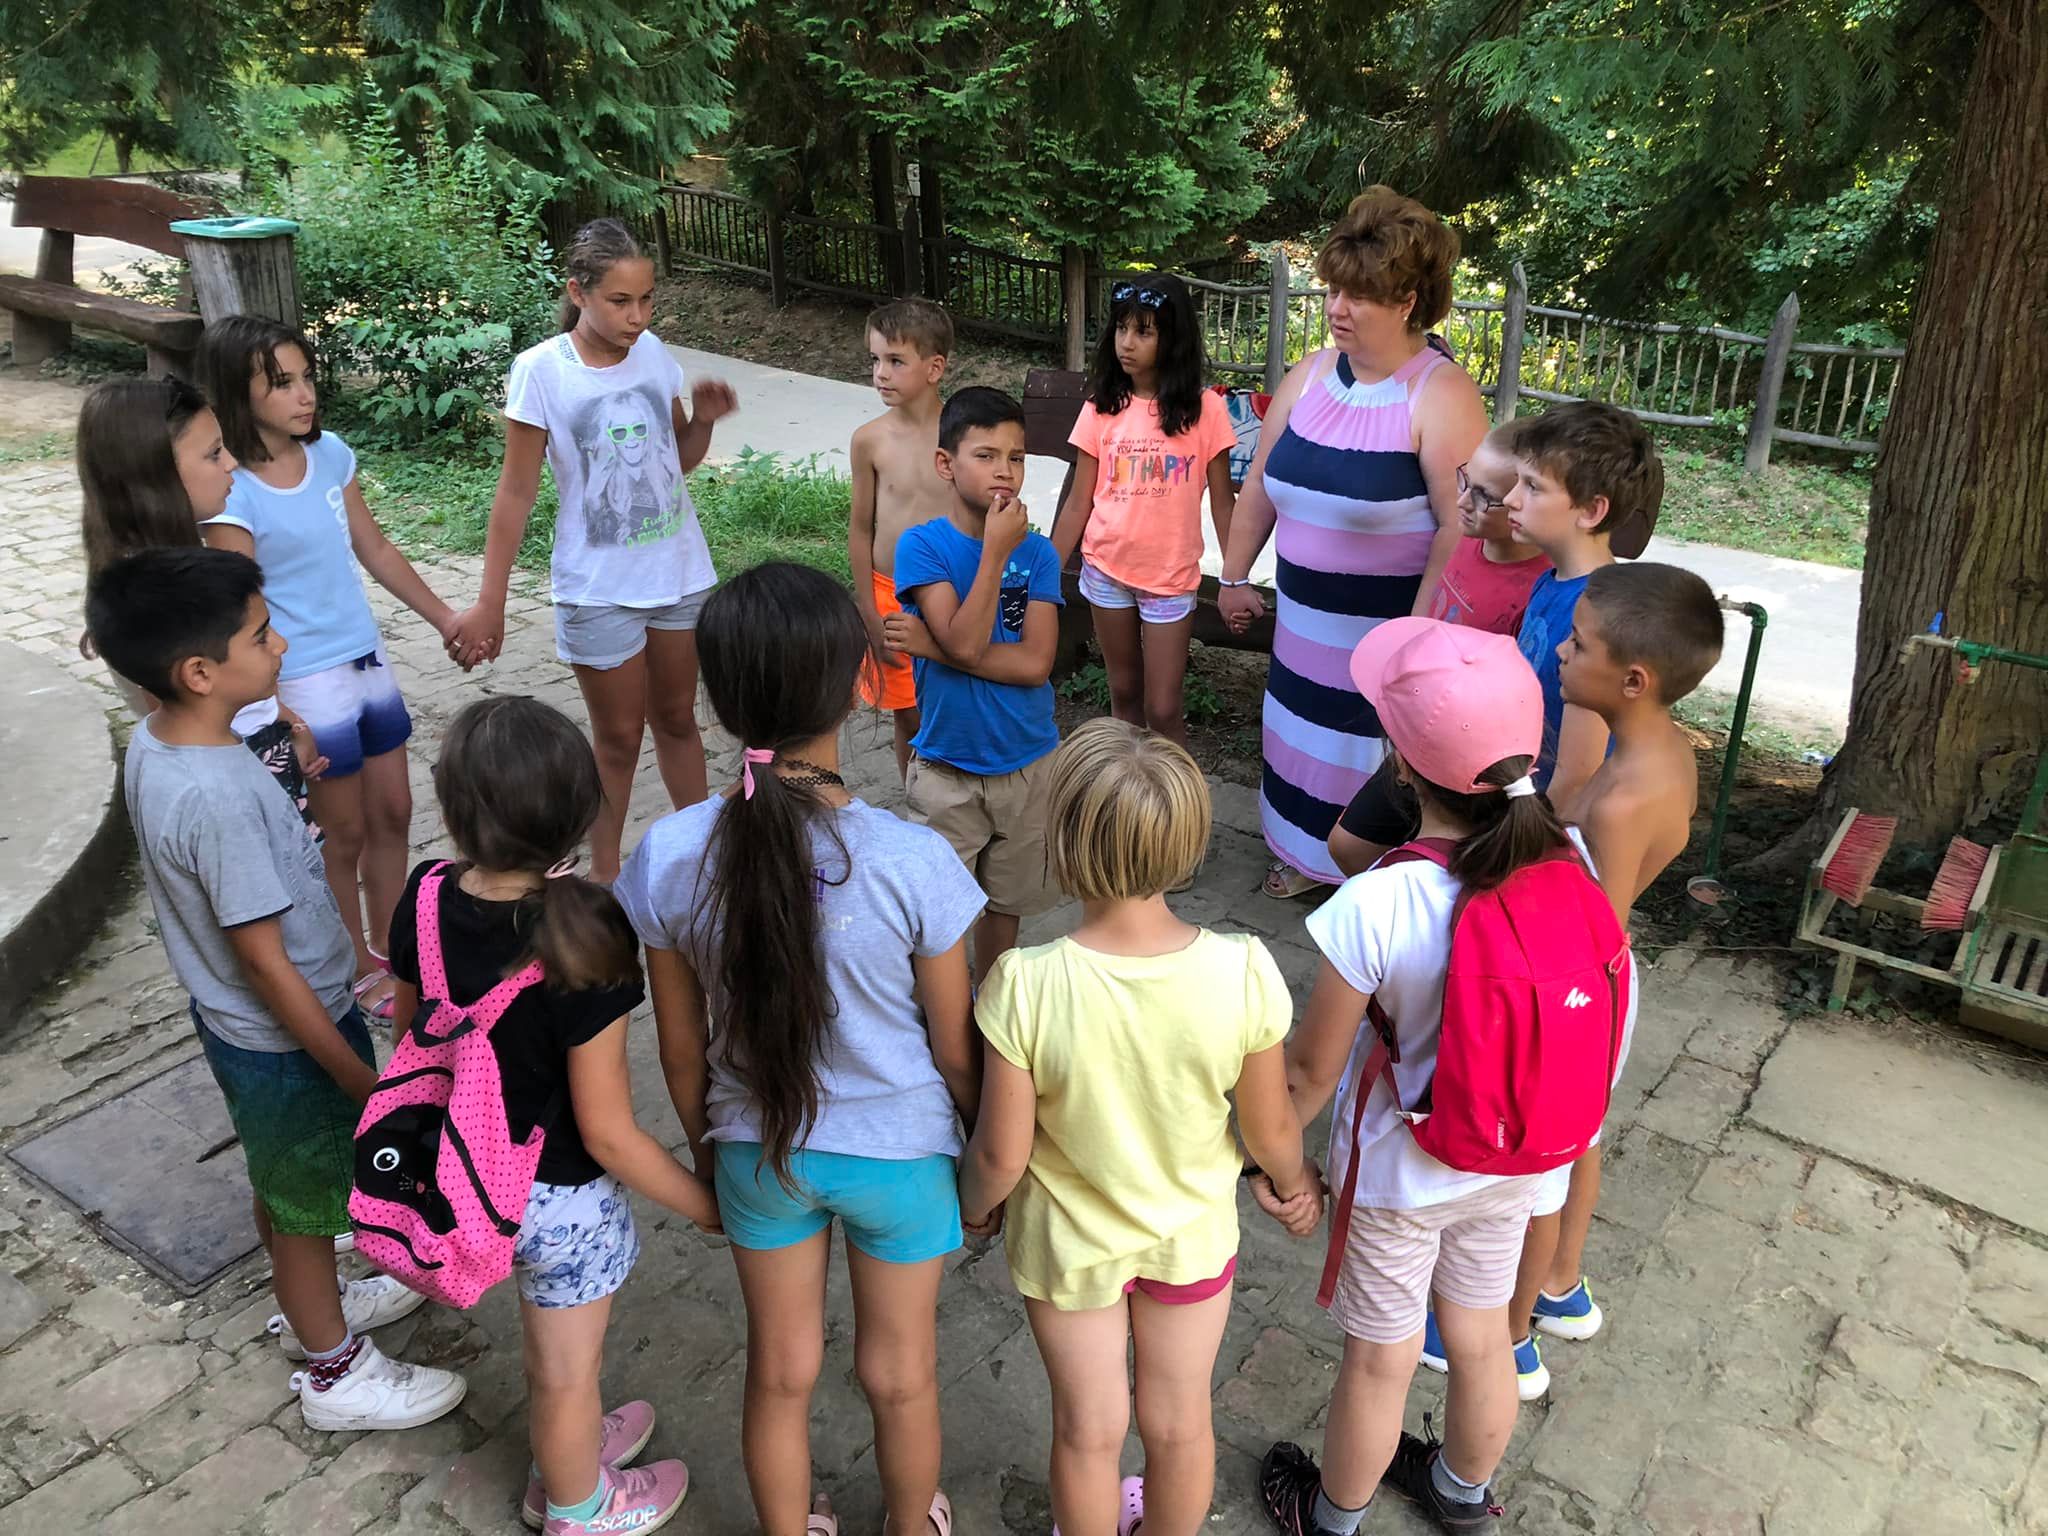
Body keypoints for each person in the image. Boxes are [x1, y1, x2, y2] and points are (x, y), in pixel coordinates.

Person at [617, 563, 985, 1536]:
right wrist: (984, 1159)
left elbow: (681, 1050)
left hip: (759, 1154)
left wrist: (708, 1157)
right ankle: (911, 1524)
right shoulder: (914, 860)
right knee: (900, 1377)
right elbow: (956, 1052)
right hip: (904, 1161)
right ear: (863, 683)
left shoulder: (669, 853)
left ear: (716, 700)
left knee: (779, 1375)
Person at [85, 547, 467, 1433]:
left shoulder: (166, 742)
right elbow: (265, 963)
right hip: (287, 1039)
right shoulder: (212, 797)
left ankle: (316, 1305)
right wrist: (356, 1077)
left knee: (288, 1180)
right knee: (301, 1206)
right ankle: (334, 1370)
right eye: (261, 636)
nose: (281, 645)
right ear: (200, 671)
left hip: (250, 1026)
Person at [1258, 617, 1600, 1534]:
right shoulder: (1571, 865)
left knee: (1381, 1358)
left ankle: (1331, 1518)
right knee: (1483, 1332)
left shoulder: (1380, 900)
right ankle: (1461, 1494)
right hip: (1519, 1157)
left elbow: (1308, 1072)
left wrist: (1272, 1165)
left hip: (1403, 1170)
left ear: (1402, 770)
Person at [959, 717, 1318, 1536]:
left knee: (1087, 1432)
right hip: (1190, 1240)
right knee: (1181, 1423)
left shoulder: (1023, 984)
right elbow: (1269, 1129)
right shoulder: (1243, 968)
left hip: (1068, 1247)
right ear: (1187, 845)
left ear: (1061, 842)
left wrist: (974, 1209)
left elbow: (1001, 1153)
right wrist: (1293, 1185)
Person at [385, 695, 718, 1536]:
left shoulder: (423, 895)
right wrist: (704, 1204)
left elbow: (409, 1036)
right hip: (563, 1202)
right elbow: (608, 1130)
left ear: (452, 811)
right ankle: (576, 1505)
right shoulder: (587, 932)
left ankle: (566, 1453)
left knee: (554, 1368)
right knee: (565, 1372)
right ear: (581, 811)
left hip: (460, 1177)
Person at [198, 315, 474, 1023]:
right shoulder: (232, 492)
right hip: (302, 677)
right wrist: (279, 709)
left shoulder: (330, 455)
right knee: (340, 835)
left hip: (366, 660)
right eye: (281, 383)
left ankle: (396, 951)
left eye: (307, 377)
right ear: (237, 391)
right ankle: (351, 966)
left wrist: (444, 616)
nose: (304, 395)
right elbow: (239, 604)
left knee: (396, 811)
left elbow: (374, 548)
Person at [1215, 188, 1489, 898]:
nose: (1337, 307)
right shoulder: (1309, 375)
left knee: (1366, 761)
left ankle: (1369, 888)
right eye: (1334, 289)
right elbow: (1261, 483)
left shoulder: (1441, 394)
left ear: (1407, 301)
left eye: (1359, 295)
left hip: (1381, 647)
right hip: (1301, 634)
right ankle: (1303, 859)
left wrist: (1414, 637)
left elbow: (1460, 526)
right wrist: (1234, 576)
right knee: (1300, 746)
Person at [448, 218, 740, 880]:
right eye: (620, 301)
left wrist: (704, 421)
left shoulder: (653, 354)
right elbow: (515, 493)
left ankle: (703, 861)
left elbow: (674, 462)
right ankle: (604, 880)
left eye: (647, 299)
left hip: (679, 575)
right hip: (598, 589)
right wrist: (490, 602)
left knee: (678, 721)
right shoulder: (542, 371)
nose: (638, 316)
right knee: (617, 739)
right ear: (578, 293)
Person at [1499, 561, 1722, 1373]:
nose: (1561, 650)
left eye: (1579, 642)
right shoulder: (1658, 750)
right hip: (1593, 981)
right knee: (1580, 1139)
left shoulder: (1626, 800)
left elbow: (1595, 926)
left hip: (1578, 993)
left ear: (1633, 680)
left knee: (1545, 1157)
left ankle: (1509, 1338)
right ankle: (1561, 1285)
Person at [74, 374, 322, 822]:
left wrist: (287, 721)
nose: (231, 464)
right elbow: (185, 725)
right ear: (154, 473)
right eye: (213, 454)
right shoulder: (149, 599)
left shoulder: (172, 562)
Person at [882, 387, 1065, 984]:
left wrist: (928, 646)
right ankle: (943, 1018)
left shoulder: (1038, 555)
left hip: (1028, 765)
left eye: (1016, 457)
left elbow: (1034, 665)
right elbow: (967, 643)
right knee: (938, 917)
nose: (1004, 471)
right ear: (946, 464)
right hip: (946, 769)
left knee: (1005, 907)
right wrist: (993, 553)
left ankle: (991, 1007)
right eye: (985, 455)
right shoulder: (923, 546)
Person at [1327, 418, 1551, 878]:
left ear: (1522, 501)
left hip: (1470, 764)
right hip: (1417, 735)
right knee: (1348, 845)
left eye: (1485, 496)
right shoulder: (1466, 538)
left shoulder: (1535, 590)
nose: (1463, 501)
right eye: (1465, 479)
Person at [1048, 273, 1237, 746]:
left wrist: (1235, 579)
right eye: (1121, 328)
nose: (1126, 343)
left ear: (1172, 338)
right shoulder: (1101, 407)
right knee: (1124, 694)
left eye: (1143, 332)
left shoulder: (1206, 410)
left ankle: (1177, 794)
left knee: (1163, 709)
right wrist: (1045, 570)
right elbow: (1078, 501)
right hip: (1106, 571)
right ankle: (1125, 790)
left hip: (1169, 579)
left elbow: (1222, 502)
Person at [1502, 401, 1662, 813]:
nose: (1510, 499)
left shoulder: (1599, 618)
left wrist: (1523, 839)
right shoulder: (1550, 581)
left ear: (1591, 511)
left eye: (1532, 487)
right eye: (1517, 481)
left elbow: (1576, 776)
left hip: (1553, 823)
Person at [850, 298, 955, 779]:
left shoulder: (961, 438)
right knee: (907, 715)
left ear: (934, 368)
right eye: (875, 360)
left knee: (950, 702)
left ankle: (955, 793)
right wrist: (869, 613)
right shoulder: (869, 439)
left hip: (950, 594)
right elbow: (860, 528)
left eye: (895, 360)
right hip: (888, 593)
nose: (880, 373)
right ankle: (915, 799)